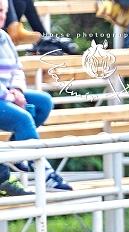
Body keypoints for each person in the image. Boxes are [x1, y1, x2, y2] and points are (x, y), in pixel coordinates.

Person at [0, 0, 70, 190]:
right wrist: (11, 97)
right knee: (23, 118)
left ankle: (15, 154)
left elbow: (17, 69)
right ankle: (44, 172)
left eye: (4, 11)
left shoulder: (4, 37)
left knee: (43, 102)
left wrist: (17, 90)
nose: (2, 16)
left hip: (7, 95)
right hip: (3, 97)